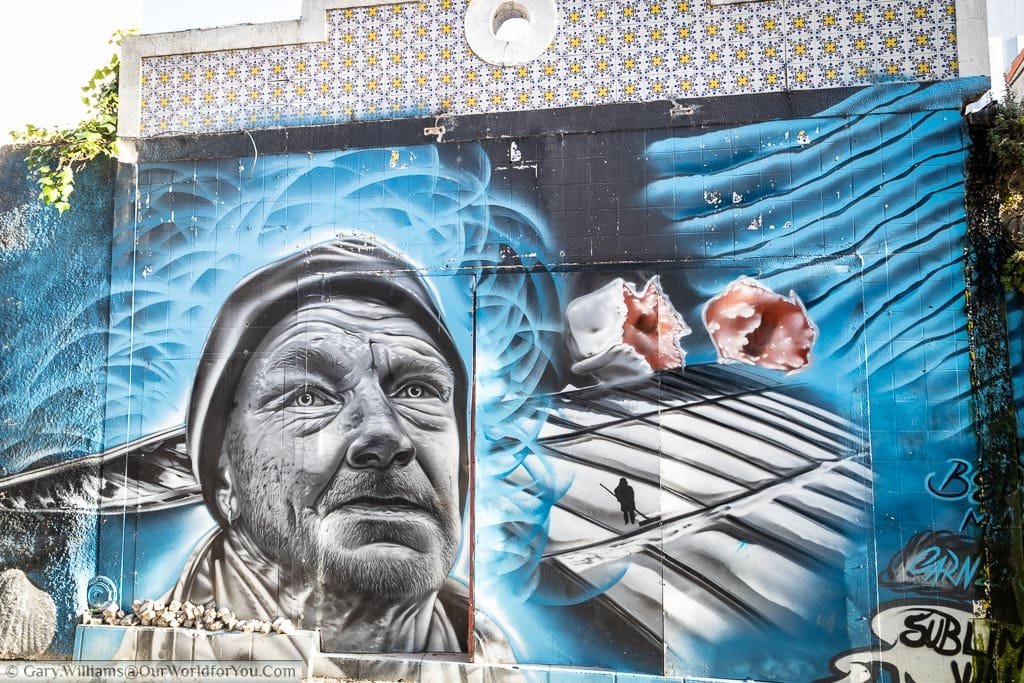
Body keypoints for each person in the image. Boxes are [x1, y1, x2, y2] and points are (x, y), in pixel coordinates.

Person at [123, 239, 512, 670]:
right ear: (225, 475)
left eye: (417, 391)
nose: (387, 433)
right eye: (309, 397)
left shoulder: (495, 662)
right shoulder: (153, 664)